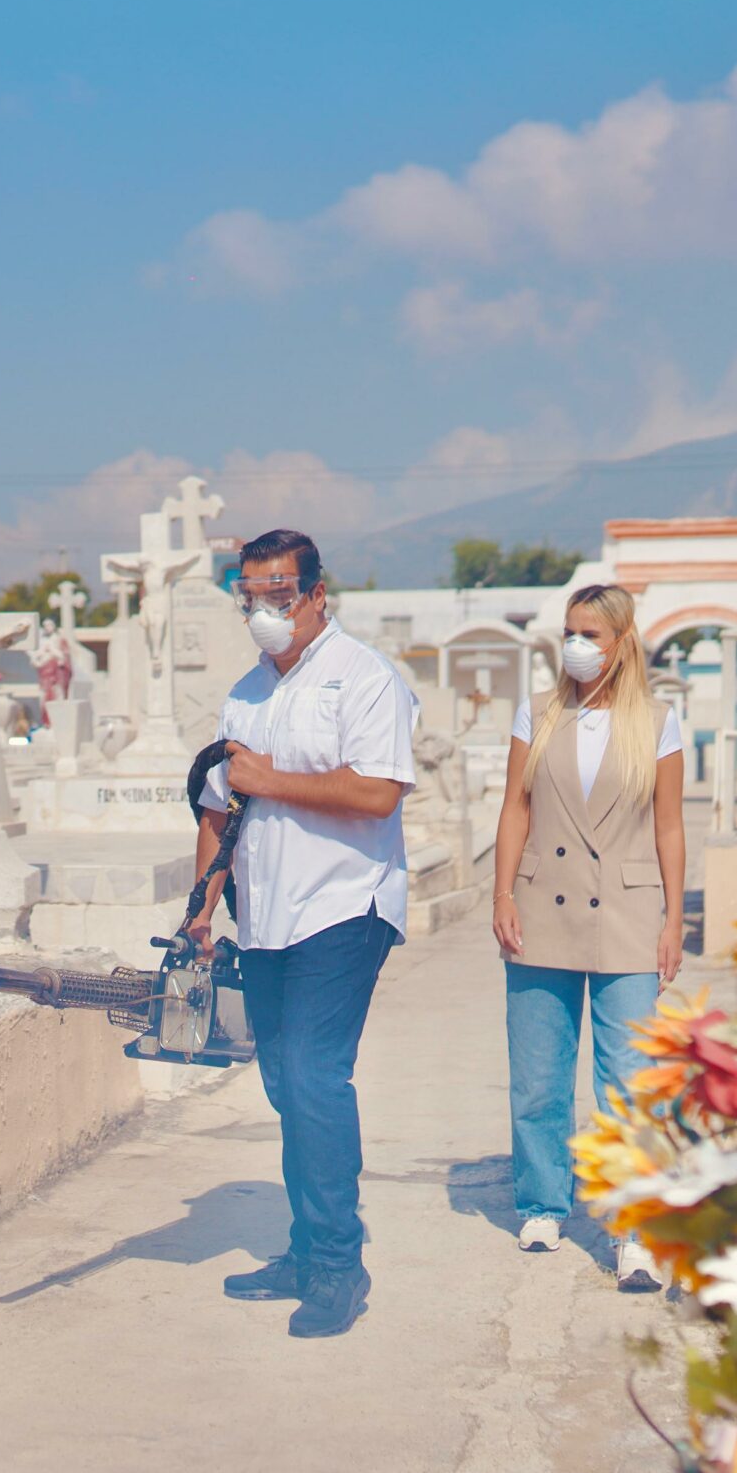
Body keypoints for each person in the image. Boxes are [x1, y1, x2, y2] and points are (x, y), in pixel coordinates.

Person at [185, 529, 416, 1339]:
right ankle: (305, 1243)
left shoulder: (364, 679)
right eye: (251, 597)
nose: (265, 612)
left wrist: (266, 778)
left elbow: (379, 793)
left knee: (315, 1077)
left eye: (281, 596)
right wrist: (202, 910)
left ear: (319, 593)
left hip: (345, 907)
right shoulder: (245, 693)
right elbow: (220, 807)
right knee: (283, 1082)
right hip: (268, 915)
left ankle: (336, 1268)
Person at [493, 583, 686, 1289]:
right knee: (539, 1075)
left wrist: (674, 917)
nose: (576, 645)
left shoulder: (658, 721)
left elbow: (669, 825)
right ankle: (543, 1202)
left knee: (631, 1083)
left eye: (592, 634)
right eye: (570, 632)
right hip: (541, 906)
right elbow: (515, 809)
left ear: (622, 642)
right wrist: (501, 892)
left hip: (629, 914)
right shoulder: (535, 714)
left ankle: (633, 1227)